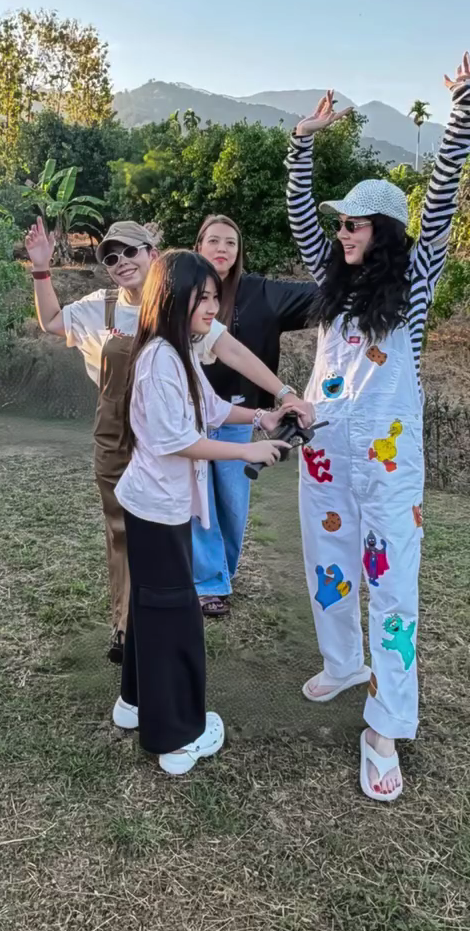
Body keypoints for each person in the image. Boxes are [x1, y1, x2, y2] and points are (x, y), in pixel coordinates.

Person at [285, 57, 470, 802]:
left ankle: (384, 726)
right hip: (326, 455)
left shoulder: (415, 283)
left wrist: (462, 110)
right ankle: (342, 664)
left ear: (384, 231)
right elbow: (301, 216)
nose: (340, 233)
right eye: (341, 223)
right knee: (328, 567)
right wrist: (303, 140)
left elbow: (445, 201)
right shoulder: (331, 283)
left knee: (394, 592)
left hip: (390, 468)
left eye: (353, 224)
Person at [25, 217, 313, 663]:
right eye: (111, 257)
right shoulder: (105, 311)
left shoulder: (180, 317)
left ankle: (155, 630)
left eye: (130, 251)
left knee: (174, 536)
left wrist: (279, 399)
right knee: (124, 533)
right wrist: (42, 269)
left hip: (167, 449)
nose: (121, 262)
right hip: (119, 438)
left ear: (153, 255)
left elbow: (228, 362)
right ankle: (129, 629)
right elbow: (52, 322)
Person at [112, 250, 289, 775]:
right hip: (156, 508)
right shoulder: (159, 361)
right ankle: (177, 738)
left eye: (216, 297)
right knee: (175, 616)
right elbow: (177, 439)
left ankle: (134, 702)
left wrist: (262, 417)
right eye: (203, 297)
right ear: (172, 299)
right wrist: (246, 450)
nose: (214, 307)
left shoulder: (179, 352)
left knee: (152, 606)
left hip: (157, 505)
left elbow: (210, 409)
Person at [192, 215, 317, 615]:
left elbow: (321, 297)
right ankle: (208, 583)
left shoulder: (260, 292)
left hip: (240, 414)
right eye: (214, 240)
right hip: (190, 415)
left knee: (232, 503)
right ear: (198, 246)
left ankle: (221, 573)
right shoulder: (182, 292)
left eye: (231, 242)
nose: (222, 249)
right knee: (197, 501)